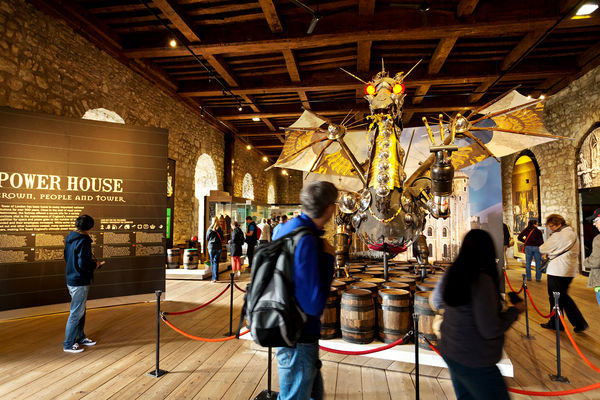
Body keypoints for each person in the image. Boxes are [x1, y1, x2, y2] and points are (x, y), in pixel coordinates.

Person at [432, 229, 524, 400]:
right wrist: (514, 311)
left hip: (450, 349)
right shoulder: (481, 281)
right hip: (474, 357)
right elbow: (490, 328)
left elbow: (437, 300)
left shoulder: (453, 273)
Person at [272, 181, 337, 400]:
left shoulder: (285, 228)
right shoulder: (307, 239)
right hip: (299, 333)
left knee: (312, 393)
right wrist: (328, 258)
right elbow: (313, 303)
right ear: (330, 208)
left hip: (283, 321)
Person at [539, 214, 588, 332]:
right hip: (569, 270)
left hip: (558, 270)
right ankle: (575, 323)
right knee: (562, 296)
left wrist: (550, 250)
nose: (550, 228)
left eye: (551, 226)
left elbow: (543, 248)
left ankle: (559, 323)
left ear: (558, 224)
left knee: (555, 298)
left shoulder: (559, 235)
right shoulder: (572, 233)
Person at [63, 214, 100, 353]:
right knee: (76, 312)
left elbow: (67, 257)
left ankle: (79, 337)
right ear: (90, 227)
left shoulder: (70, 238)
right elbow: (83, 263)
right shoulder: (84, 240)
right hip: (79, 280)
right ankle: (68, 343)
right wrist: (94, 265)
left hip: (72, 277)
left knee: (80, 310)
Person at [584, 209, 600, 307]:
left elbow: (595, 261)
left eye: (595, 220)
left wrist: (586, 261)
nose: (594, 224)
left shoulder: (598, 239)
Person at [206, 216, 224, 283]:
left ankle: (213, 278)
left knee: (212, 262)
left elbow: (207, 238)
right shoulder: (220, 229)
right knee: (216, 262)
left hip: (211, 246)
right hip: (218, 247)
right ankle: (216, 277)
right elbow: (222, 238)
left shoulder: (209, 229)